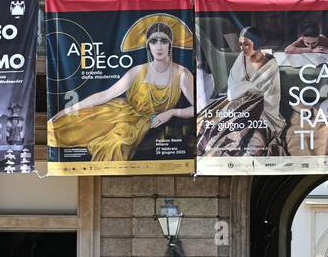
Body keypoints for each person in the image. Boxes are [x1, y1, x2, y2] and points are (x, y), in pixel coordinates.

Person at [48, 20, 195, 162]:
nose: (159, 47)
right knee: (72, 125)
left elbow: (198, 108)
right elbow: (106, 94)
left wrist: (172, 112)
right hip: (120, 112)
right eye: (153, 41)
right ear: (148, 45)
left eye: (163, 41)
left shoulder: (182, 74)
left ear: (170, 44)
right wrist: (70, 109)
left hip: (139, 125)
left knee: (115, 144)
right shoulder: (138, 71)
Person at [196, 27, 285, 156]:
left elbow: (271, 97)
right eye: (241, 44)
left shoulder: (270, 64)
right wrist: (251, 88)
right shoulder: (242, 58)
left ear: (257, 44)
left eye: (247, 44)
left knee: (249, 138)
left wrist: (250, 90)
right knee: (210, 126)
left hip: (263, 109)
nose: (243, 48)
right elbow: (233, 90)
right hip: (238, 103)